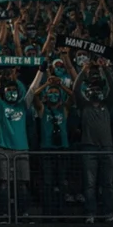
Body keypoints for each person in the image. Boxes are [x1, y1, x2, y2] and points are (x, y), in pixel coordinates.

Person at [0, 64, 44, 220]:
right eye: (8, 90)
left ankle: (23, 213)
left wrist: (41, 71)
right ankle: (5, 214)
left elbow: (32, 89)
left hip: (22, 148)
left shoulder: (23, 105)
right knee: (4, 184)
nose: (11, 92)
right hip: (3, 148)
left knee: (22, 184)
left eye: (14, 90)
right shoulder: (0, 105)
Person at [73, 59, 113, 223]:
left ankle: (108, 214)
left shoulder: (107, 104)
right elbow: (76, 89)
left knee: (108, 184)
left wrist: (106, 70)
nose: (95, 91)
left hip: (107, 148)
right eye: (92, 89)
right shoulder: (84, 105)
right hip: (89, 148)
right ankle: (90, 214)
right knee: (90, 185)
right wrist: (83, 71)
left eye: (98, 89)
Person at [32, 75, 73, 215]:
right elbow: (34, 95)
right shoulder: (43, 109)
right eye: (51, 93)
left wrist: (60, 85)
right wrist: (46, 85)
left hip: (63, 149)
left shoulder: (64, 109)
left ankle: (62, 212)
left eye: (56, 93)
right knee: (48, 182)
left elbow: (73, 96)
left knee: (62, 182)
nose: (53, 95)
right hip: (47, 149)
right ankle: (48, 212)